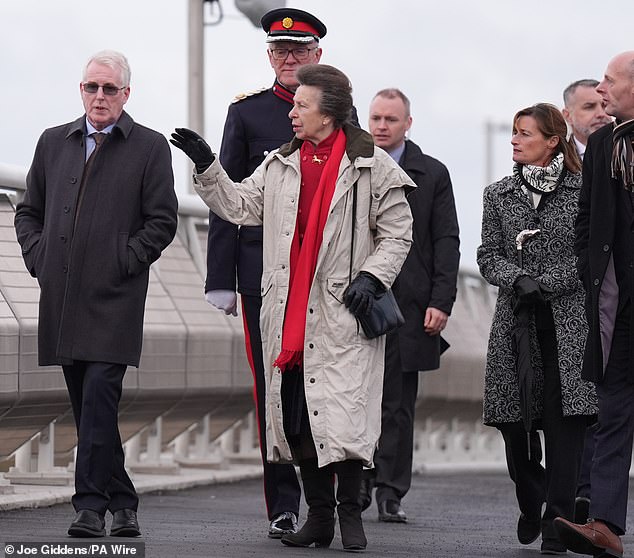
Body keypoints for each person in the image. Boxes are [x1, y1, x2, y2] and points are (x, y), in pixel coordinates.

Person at [171, 63, 414, 552]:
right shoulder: (281, 162)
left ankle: (350, 515)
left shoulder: (374, 164)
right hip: (287, 308)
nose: (292, 114)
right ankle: (319, 517)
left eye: (302, 105)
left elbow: (397, 233)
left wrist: (371, 277)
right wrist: (207, 167)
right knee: (297, 415)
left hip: (343, 310)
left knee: (341, 416)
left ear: (328, 113)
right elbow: (240, 206)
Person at [14, 50, 178, 538]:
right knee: (88, 405)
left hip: (115, 298)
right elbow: (28, 212)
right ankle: (123, 500)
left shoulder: (149, 147)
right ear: (81, 90)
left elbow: (163, 221)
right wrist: (40, 259)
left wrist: (123, 260)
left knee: (100, 397)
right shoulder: (52, 142)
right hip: (62, 297)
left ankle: (89, 507)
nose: (99, 96)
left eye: (109, 89)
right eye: (92, 87)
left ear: (126, 94)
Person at [204, 7, 326, 538]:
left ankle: (330, 494)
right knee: (271, 387)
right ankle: (283, 501)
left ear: (318, 55)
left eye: (300, 51)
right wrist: (219, 276)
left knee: (321, 387)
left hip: (322, 278)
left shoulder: (339, 115)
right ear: (269, 56)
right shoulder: (249, 115)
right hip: (261, 274)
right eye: (280, 51)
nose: (290, 59)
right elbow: (225, 199)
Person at [477, 103, 597, 555]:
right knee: (514, 422)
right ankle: (533, 498)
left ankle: (556, 521)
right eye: (512, 132)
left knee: (566, 422)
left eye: (524, 133)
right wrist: (515, 278)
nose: (514, 140)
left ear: (552, 141)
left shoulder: (583, 191)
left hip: (567, 321)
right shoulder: (498, 193)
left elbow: (587, 255)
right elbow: (487, 254)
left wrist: (544, 283)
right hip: (515, 323)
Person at [359, 89, 460, 523]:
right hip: (357, 300)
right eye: (376, 118)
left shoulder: (432, 173)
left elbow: (446, 240)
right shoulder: (353, 166)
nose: (382, 126)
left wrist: (442, 301)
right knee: (357, 398)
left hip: (411, 305)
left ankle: (390, 491)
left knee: (397, 404)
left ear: (408, 123)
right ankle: (356, 484)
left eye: (391, 119)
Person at [554, 50, 634, 558]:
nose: (601, 91)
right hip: (618, 305)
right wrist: (590, 272)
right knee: (612, 411)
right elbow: (588, 220)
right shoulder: (604, 143)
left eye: (609, 81)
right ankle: (605, 525)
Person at [562, 80, 612, 524]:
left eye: (603, 103)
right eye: (588, 106)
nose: (600, 111)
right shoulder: (547, 163)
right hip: (562, 300)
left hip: (604, 300)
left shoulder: (618, 152)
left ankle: (586, 493)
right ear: (567, 117)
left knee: (598, 401)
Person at [562, 79, 612, 161]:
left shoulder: (626, 151)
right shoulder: (554, 162)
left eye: (605, 105)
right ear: (568, 116)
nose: (601, 114)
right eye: (589, 107)